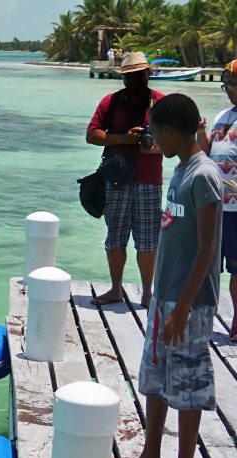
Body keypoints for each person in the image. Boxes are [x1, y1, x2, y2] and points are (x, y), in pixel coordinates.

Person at [113, 93, 223, 458]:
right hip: (167, 296)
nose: (154, 141)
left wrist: (181, 308)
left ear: (171, 130)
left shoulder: (203, 176)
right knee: (157, 378)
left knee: (188, 385)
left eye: (158, 132)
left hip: (189, 304)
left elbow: (208, 248)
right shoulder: (179, 169)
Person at [87, 52, 165, 308]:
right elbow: (92, 135)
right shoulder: (111, 102)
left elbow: (174, 141)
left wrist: (151, 148)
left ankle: (146, 293)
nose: (134, 80)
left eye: (139, 75)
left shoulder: (161, 104)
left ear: (148, 74)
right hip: (117, 181)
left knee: (147, 241)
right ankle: (116, 289)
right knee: (115, 237)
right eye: (129, 76)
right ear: (122, 78)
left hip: (149, 181)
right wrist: (122, 138)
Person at [197, 59, 237, 339]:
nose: (229, 90)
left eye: (234, 85)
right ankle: (201, 316)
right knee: (207, 262)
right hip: (215, 203)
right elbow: (207, 153)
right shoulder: (223, 115)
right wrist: (200, 132)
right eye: (227, 85)